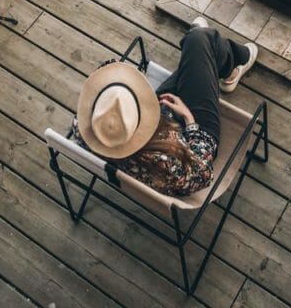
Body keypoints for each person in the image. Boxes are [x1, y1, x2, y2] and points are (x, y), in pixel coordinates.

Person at [74, 20, 259, 197]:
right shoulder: (166, 162)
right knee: (199, 41)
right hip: (191, 137)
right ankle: (233, 62)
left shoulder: (89, 130)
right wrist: (190, 121)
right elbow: (203, 173)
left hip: (155, 125)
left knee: (199, 51)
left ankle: (212, 53)